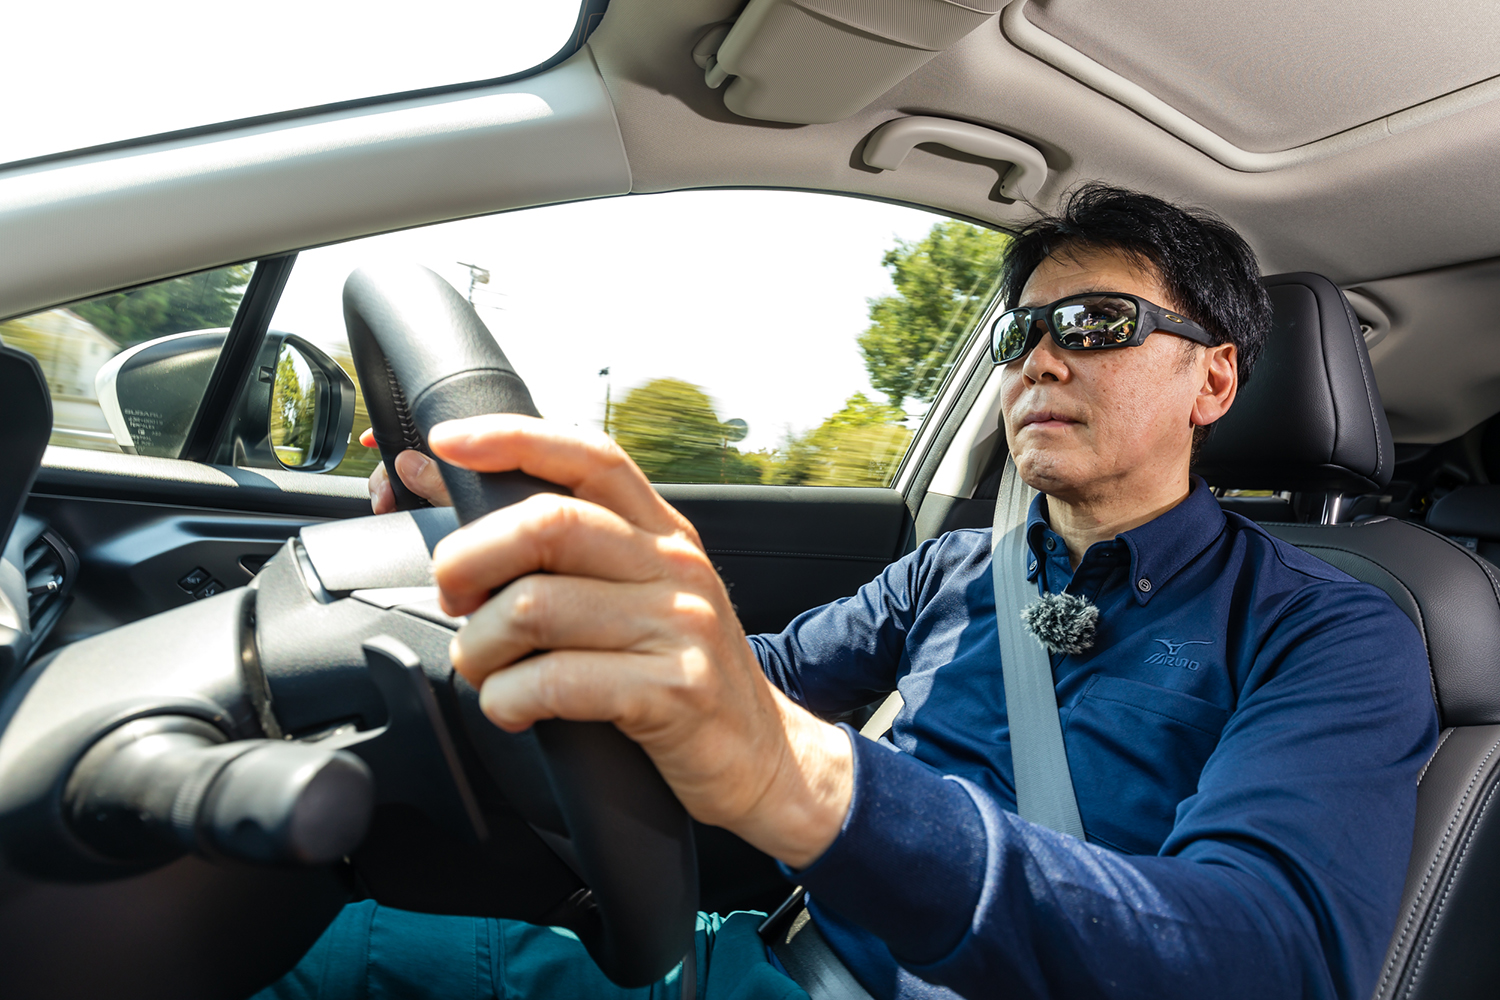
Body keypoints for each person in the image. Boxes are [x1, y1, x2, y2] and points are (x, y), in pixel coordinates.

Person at [262, 185, 1437, 1000]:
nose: (1040, 357)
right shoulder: (955, 567)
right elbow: (750, 685)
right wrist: (545, 584)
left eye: (1095, 323)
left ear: (1215, 379)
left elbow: (1267, 960)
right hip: (762, 958)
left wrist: (808, 781)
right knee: (294, 944)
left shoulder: (1330, 628)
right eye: (1022, 333)